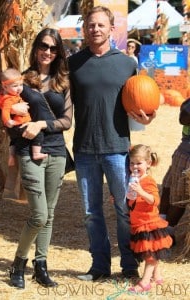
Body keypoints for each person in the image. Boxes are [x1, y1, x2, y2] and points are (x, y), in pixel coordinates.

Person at [68, 5, 156, 281]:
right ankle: (99, 267)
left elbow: (142, 101)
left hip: (118, 149)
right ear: (84, 28)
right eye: (90, 25)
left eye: (100, 25)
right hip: (83, 149)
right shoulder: (73, 63)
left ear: (111, 28)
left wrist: (148, 117)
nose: (95, 29)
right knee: (91, 212)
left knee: (123, 209)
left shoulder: (127, 63)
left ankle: (128, 265)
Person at [8, 27, 72, 289]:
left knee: (51, 213)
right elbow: (8, 120)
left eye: (53, 48)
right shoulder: (21, 81)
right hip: (29, 151)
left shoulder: (64, 83)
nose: (47, 51)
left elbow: (67, 121)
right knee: (39, 214)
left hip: (56, 150)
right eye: (43, 46)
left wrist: (42, 125)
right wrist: (12, 109)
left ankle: (41, 266)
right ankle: (18, 263)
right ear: (36, 48)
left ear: (59, 53)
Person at [127, 144, 172, 293]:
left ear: (148, 163)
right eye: (132, 163)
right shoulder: (133, 179)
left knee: (150, 254)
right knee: (152, 251)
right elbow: (133, 201)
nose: (134, 166)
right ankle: (157, 276)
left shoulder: (148, 181)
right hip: (139, 223)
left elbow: (155, 201)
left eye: (139, 163)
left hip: (149, 224)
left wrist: (140, 191)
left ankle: (145, 282)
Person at [0, 68, 48, 165]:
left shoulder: (11, 96)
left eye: (21, 85)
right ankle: (36, 153)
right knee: (38, 133)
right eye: (15, 86)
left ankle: (11, 157)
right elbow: (5, 111)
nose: (19, 88)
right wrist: (8, 121)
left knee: (14, 141)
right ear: (5, 87)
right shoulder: (8, 99)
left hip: (15, 128)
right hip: (19, 125)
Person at [159, 98, 190, 230]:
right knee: (169, 187)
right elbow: (184, 117)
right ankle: (163, 224)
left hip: (185, 154)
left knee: (178, 195)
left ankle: (167, 230)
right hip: (185, 154)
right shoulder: (187, 106)